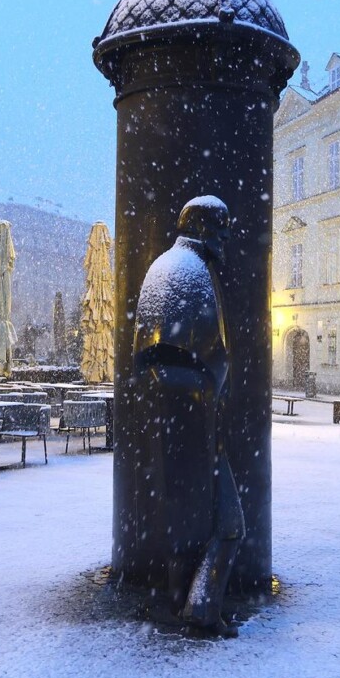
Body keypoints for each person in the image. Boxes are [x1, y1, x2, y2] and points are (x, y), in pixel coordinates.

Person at [132, 196, 245, 637]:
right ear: (205, 228)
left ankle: (197, 604)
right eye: (222, 229)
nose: (228, 240)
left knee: (215, 522)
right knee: (226, 522)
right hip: (192, 426)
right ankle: (198, 608)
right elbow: (172, 357)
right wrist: (205, 402)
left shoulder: (169, 268)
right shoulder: (188, 271)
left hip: (185, 425)